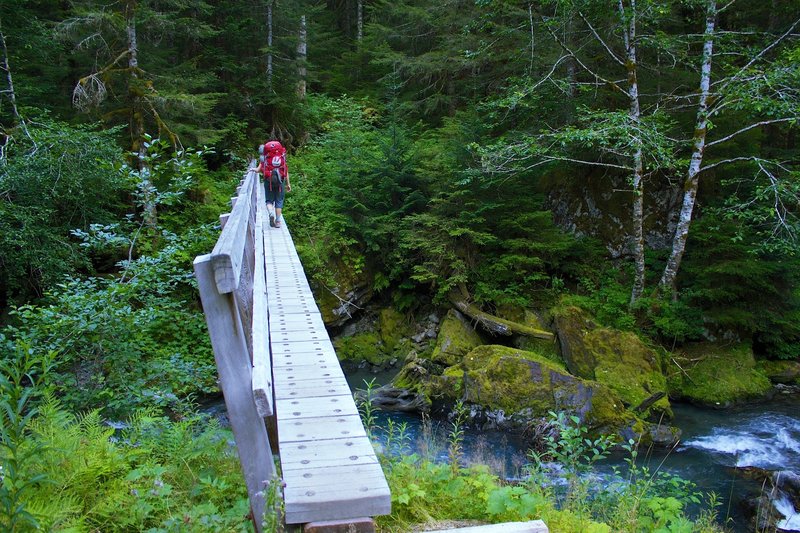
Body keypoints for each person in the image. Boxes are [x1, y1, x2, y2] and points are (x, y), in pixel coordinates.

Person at [253, 140, 292, 228]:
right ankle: (278, 222)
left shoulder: (265, 159)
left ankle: (271, 213)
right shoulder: (281, 158)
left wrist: (252, 170)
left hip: (268, 181)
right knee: (279, 201)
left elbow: (258, 170)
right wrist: (288, 184)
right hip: (280, 181)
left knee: (269, 201)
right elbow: (286, 171)